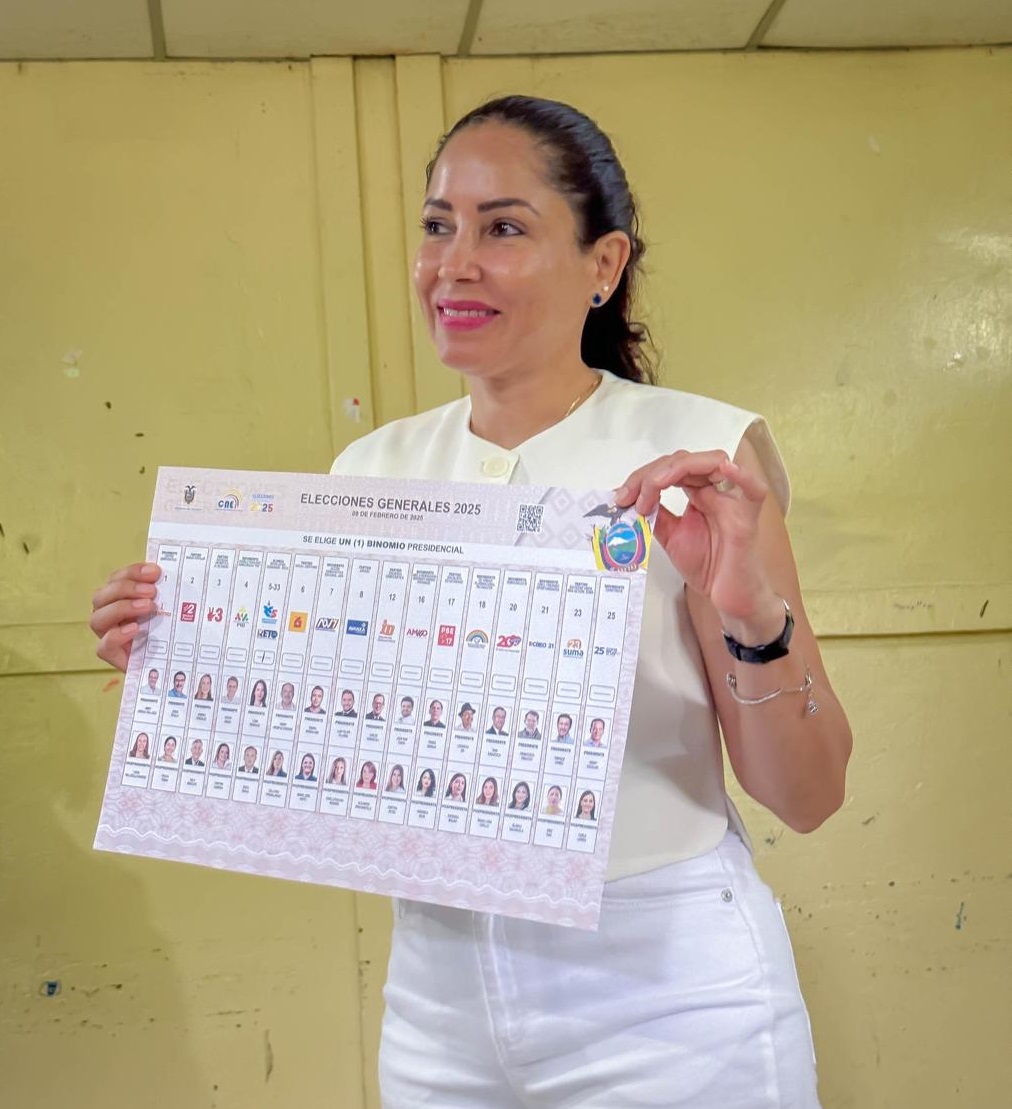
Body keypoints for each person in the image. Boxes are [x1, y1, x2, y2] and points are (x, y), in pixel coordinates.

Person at [89, 94, 852, 1108]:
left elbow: (809, 796)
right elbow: (333, 737)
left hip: (667, 995)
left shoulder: (698, 456)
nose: (453, 264)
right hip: (436, 1005)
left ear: (603, 263)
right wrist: (184, 653)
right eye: (438, 225)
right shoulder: (370, 470)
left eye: (503, 228)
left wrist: (752, 617)